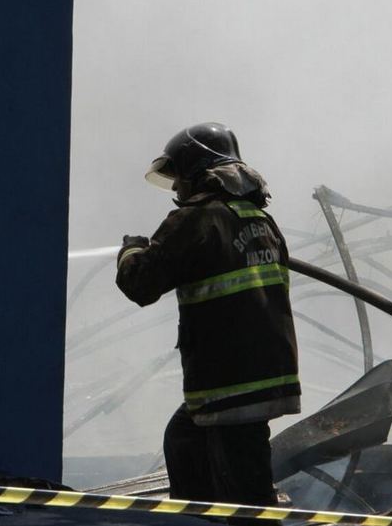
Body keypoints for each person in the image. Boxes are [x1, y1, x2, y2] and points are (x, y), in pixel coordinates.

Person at [116, 122, 300, 524]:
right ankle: (201, 518)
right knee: (185, 439)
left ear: (196, 171)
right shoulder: (261, 221)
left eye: (178, 177)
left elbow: (140, 285)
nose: (176, 187)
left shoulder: (195, 221)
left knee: (248, 498)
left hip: (229, 382)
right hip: (265, 375)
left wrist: (131, 251)